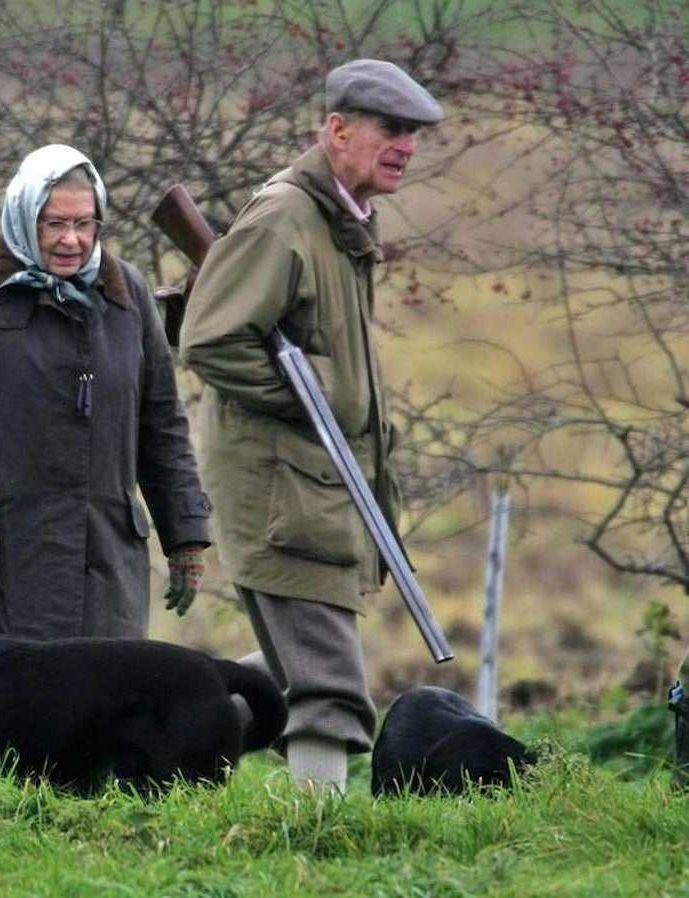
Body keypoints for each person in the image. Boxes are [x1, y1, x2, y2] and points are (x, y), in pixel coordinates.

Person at [178, 59, 444, 794]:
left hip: (319, 481)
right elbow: (209, 340)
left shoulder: (339, 220)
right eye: (390, 130)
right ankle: (315, 839)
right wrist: (309, 397)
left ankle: (165, 731)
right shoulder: (284, 219)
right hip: (285, 487)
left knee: (297, 663)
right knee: (326, 681)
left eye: (413, 135)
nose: (406, 147)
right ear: (336, 130)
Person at [0, 143, 212, 640]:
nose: (72, 240)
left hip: (105, 568)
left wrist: (185, 533)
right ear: (22, 214)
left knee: (102, 708)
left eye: (85, 224)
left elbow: (162, 425)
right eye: (54, 224)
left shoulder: (127, 295)